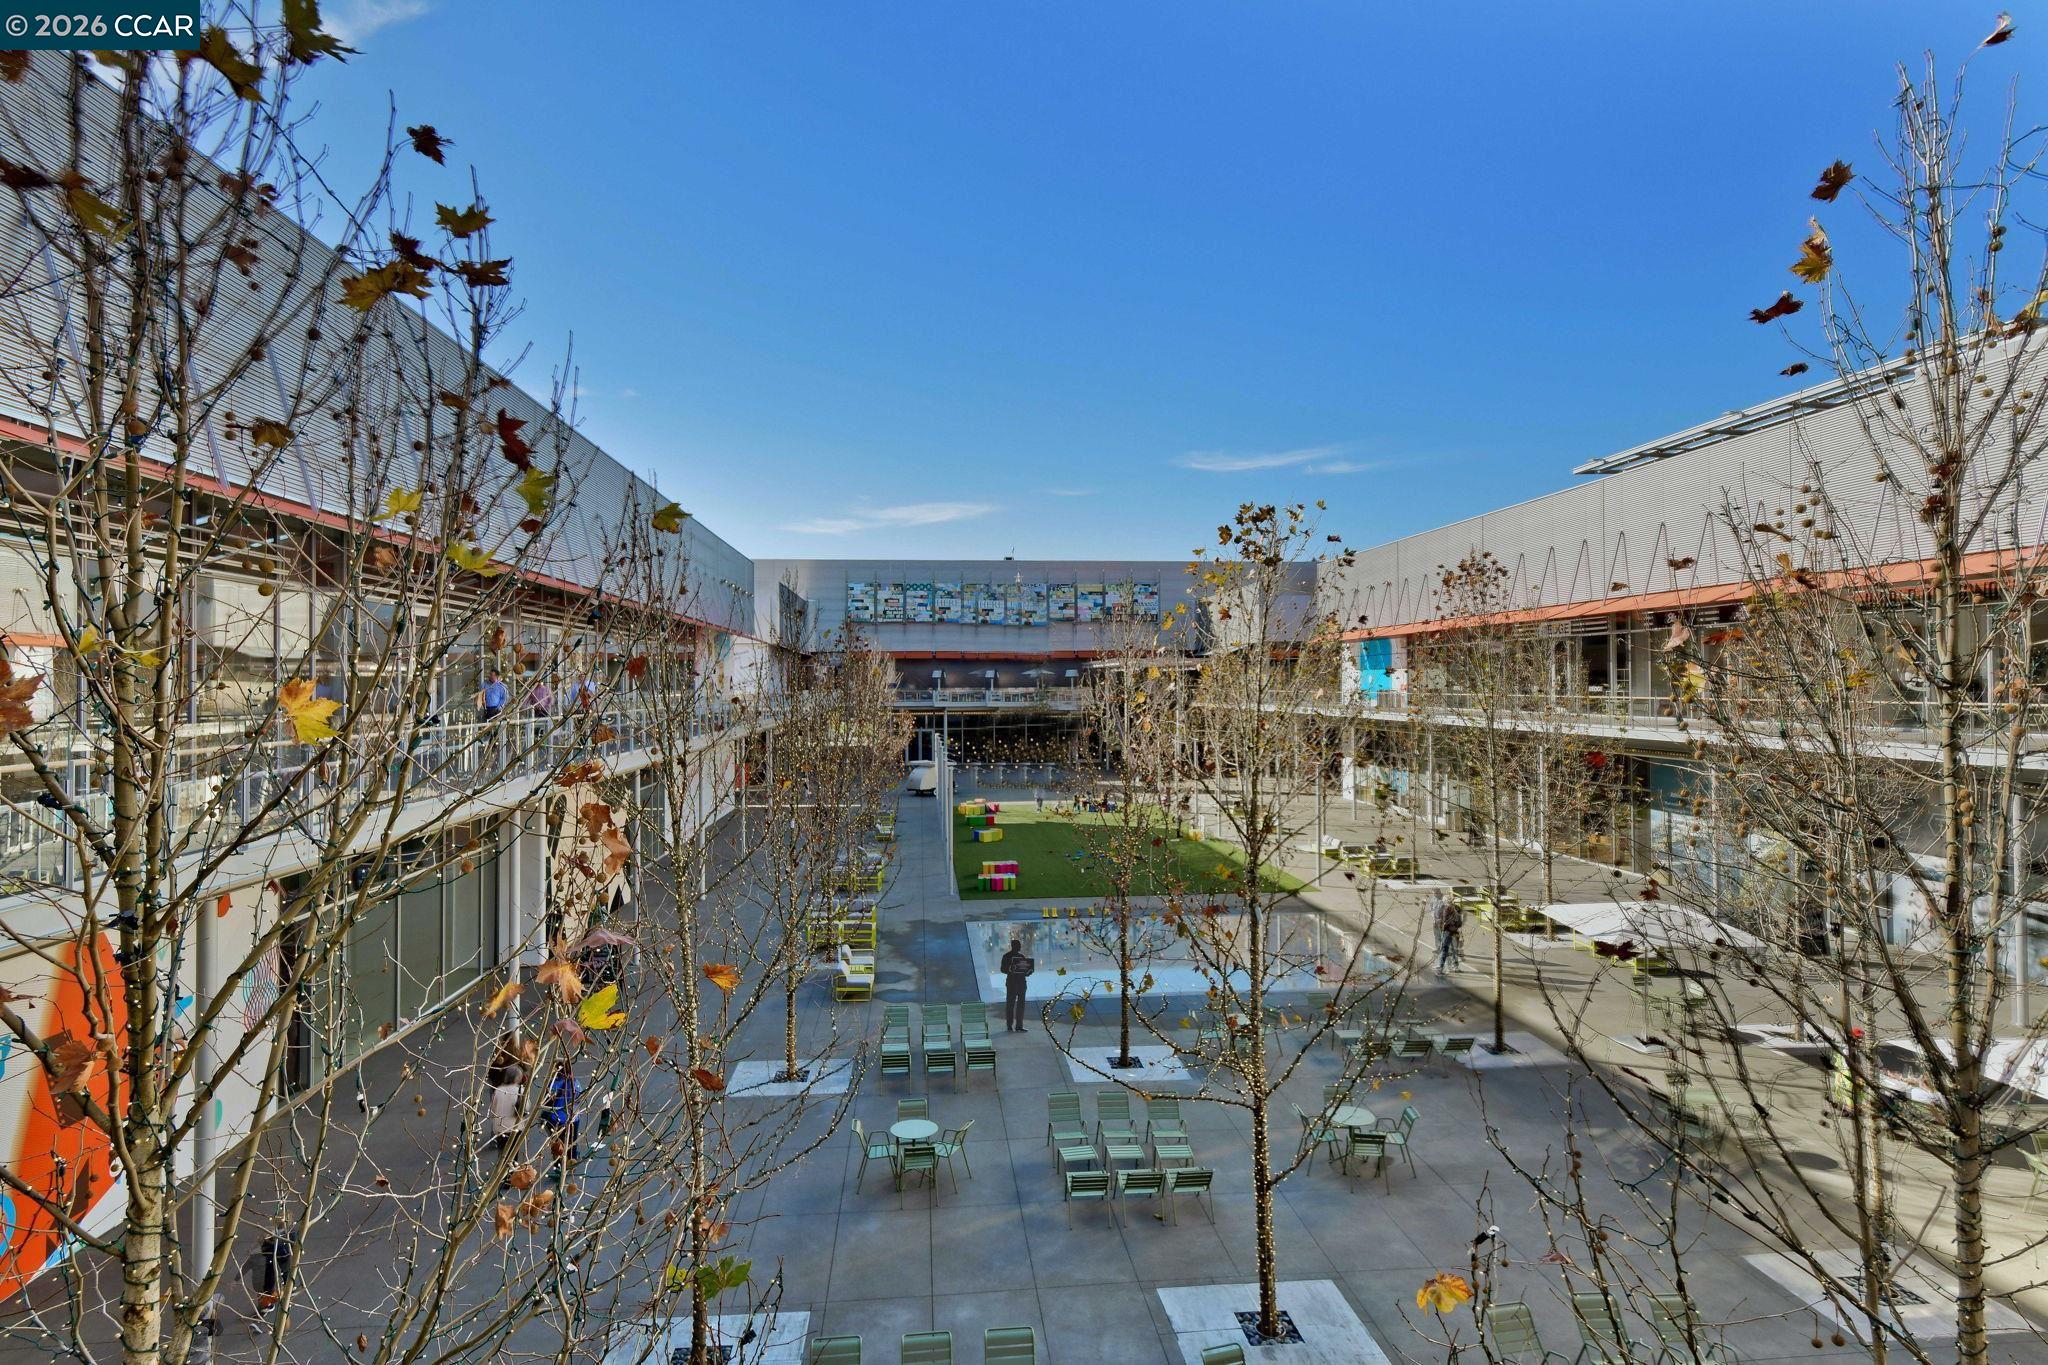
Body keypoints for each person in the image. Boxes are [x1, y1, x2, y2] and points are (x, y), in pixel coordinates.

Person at [485, 1033, 525, 1160]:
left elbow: (493, 1108)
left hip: (497, 1089)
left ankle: (502, 1171)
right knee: (514, 1151)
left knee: (503, 1152)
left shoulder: (498, 1056)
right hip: (515, 1126)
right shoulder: (517, 1056)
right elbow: (526, 1107)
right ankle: (512, 1173)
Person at [543, 1059, 580, 1165]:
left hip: (555, 1118)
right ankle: (571, 1160)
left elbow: (547, 1100)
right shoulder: (575, 1082)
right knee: (571, 1140)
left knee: (557, 1142)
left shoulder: (553, 1084)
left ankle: (559, 1163)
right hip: (573, 1116)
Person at [1000, 937, 1034, 1032]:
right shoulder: (1006, 956)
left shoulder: (1022, 956)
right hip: (1012, 983)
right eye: (1018, 946)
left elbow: (1024, 970)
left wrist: (1029, 972)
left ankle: (1019, 1025)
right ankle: (1009, 1025)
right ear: (1013, 946)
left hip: (1021, 983)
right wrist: (1010, 969)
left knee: (1021, 1005)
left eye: (1020, 946)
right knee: (1010, 1004)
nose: (1020, 947)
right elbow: (1002, 969)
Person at [1433, 891, 1464, 974]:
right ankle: (1451, 967)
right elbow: (1459, 922)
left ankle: (1443, 967)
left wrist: (1443, 928)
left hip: (1448, 932)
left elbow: (1439, 921)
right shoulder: (1455, 909)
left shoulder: (1442, 909)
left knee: (1447, 950)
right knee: (1451, 950)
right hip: (1451, 932)